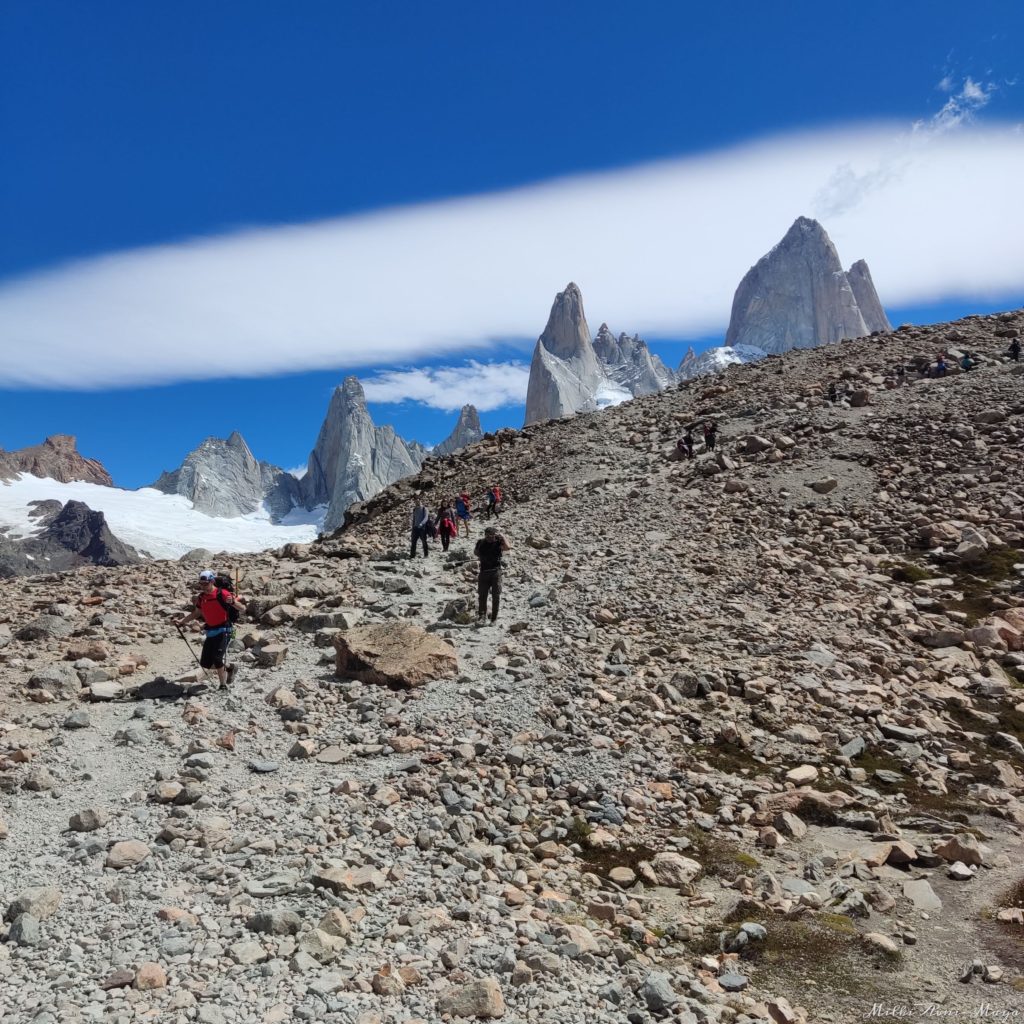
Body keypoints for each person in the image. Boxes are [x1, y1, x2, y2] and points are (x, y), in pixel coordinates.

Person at [174, 570, 245, 688]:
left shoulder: (222, 593)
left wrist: (233, 602)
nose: (203, 587)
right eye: (201, 584)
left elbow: (242, 608)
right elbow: (196, 613)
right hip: (210, 631)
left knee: (217, 659)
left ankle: (222, 685)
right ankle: (230, 667)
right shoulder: (201, 597)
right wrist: (182, 621)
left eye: (206, 584)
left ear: (212, 582)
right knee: (206, 663)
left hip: (224, 630)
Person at [474, 526, 510, 624]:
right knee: (482, 595)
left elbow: (507, 547)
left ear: (495, 535)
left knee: (496, 596)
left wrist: (503, 537)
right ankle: (482, 617)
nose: (490, 538)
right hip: (484, 572)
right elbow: (476, 552)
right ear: (485, 535)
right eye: (488, 535)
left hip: (495, 572)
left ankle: (494, 618)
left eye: (492, 535)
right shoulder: (480, 542)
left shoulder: (499, 542)